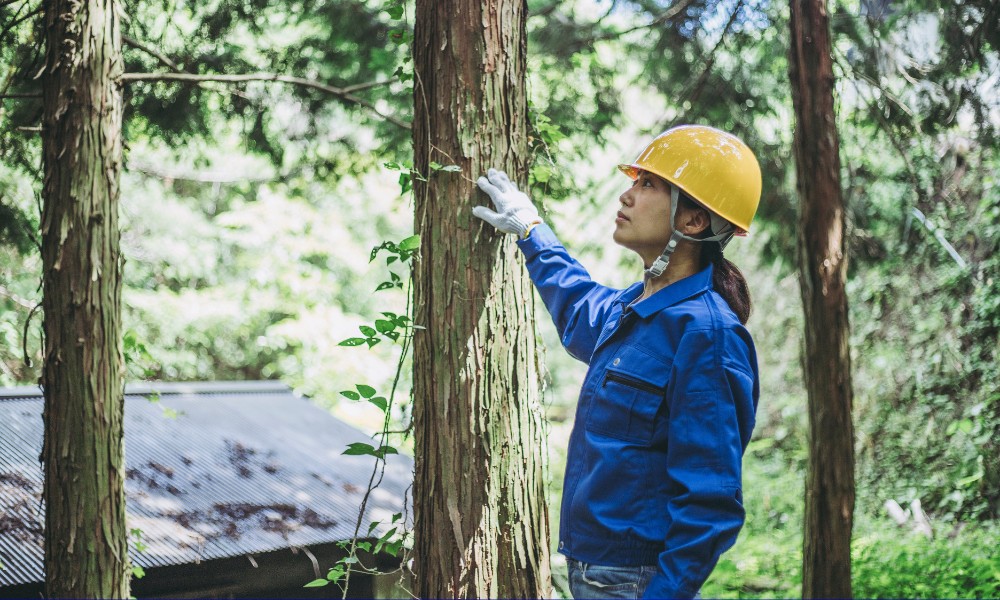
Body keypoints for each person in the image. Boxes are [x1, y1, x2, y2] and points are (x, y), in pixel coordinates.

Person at [473, 124, 761, 600]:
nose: (627, 195)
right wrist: (532, 231)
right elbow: (578, 302)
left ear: (691, 222)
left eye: (648, 184)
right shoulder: (637, 307)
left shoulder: (707, 335)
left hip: (633, 583)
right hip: (592, 570)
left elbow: (711, 503)